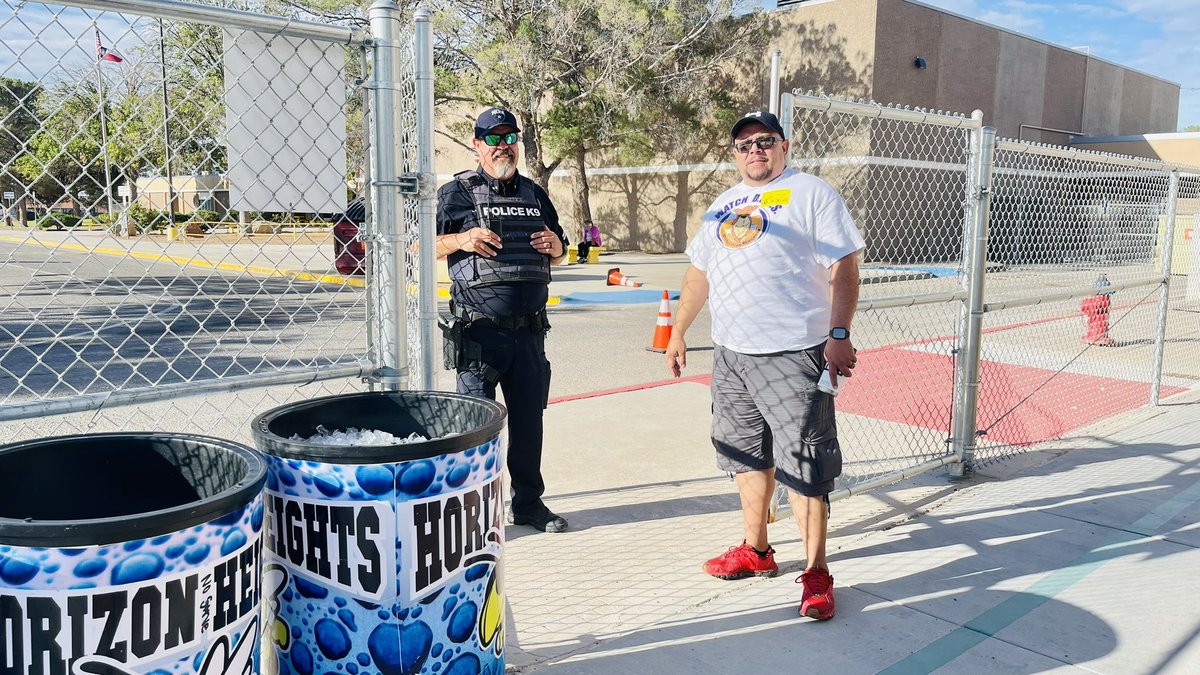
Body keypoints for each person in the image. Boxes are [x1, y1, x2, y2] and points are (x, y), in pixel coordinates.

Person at [665, 110, 864, 620]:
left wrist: (839, 334)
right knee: (746, 457)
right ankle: (756, 551)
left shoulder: (811, 193)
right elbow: (697, 279)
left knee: (806, 465)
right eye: (744, 144)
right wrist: (679, 332)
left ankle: (817, 571)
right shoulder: (721, 205)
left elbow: (844, 268)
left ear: (784, 146)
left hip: (794, 353)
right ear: (734, 154)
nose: (755, 150)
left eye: (765, 141)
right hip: (731, 356)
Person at [436, 107, 570, 533]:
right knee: (476, 430)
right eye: (492, 138)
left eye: (509, 137)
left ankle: (528, 504)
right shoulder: (456, 192)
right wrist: (464, 238)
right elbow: (423, 245)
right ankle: (472, 516)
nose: (502, 146)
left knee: (530, 425)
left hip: (530, 335)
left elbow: (562, 247)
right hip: (478, 334)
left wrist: (556, 248)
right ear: (477, 145)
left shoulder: (534, 193)